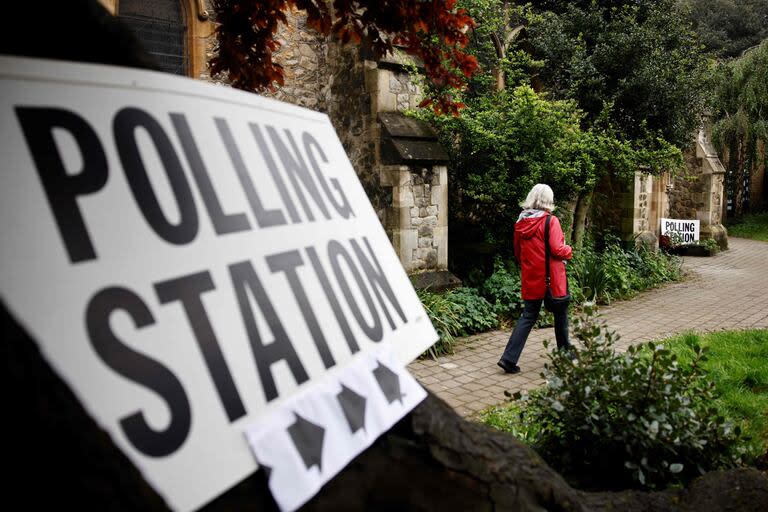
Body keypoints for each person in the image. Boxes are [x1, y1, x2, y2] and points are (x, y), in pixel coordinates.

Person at [498, 184, 573, 374]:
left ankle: (508, 359)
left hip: (531, 276)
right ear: (549, 200)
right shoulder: (551, 221)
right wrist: (569, 250)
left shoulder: (520, 222)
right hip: (551, 278)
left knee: (528, 316)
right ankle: (565, 354)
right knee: (561, 313)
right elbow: (557, 249)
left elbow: (517, 252)